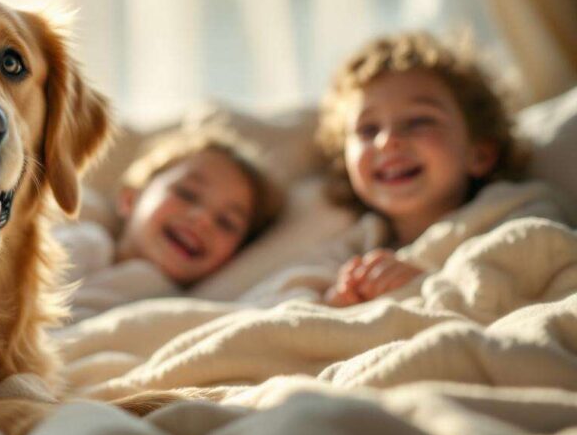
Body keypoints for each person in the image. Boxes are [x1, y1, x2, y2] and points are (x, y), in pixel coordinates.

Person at [313, 31, 566, 307]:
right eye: (368, 129)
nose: (387, 141)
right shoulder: (351, 247)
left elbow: (535, 262)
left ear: (479, 154)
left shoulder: (515, 211)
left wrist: (425, 284)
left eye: (418, 121)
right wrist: (337, 300)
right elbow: (296, 307)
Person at [56, 128, 284, 321]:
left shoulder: (187, 313)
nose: (203, 220)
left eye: (226, 222)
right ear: (131, 198)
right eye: (187, 194)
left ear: (234, 256)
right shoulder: (83, 242)